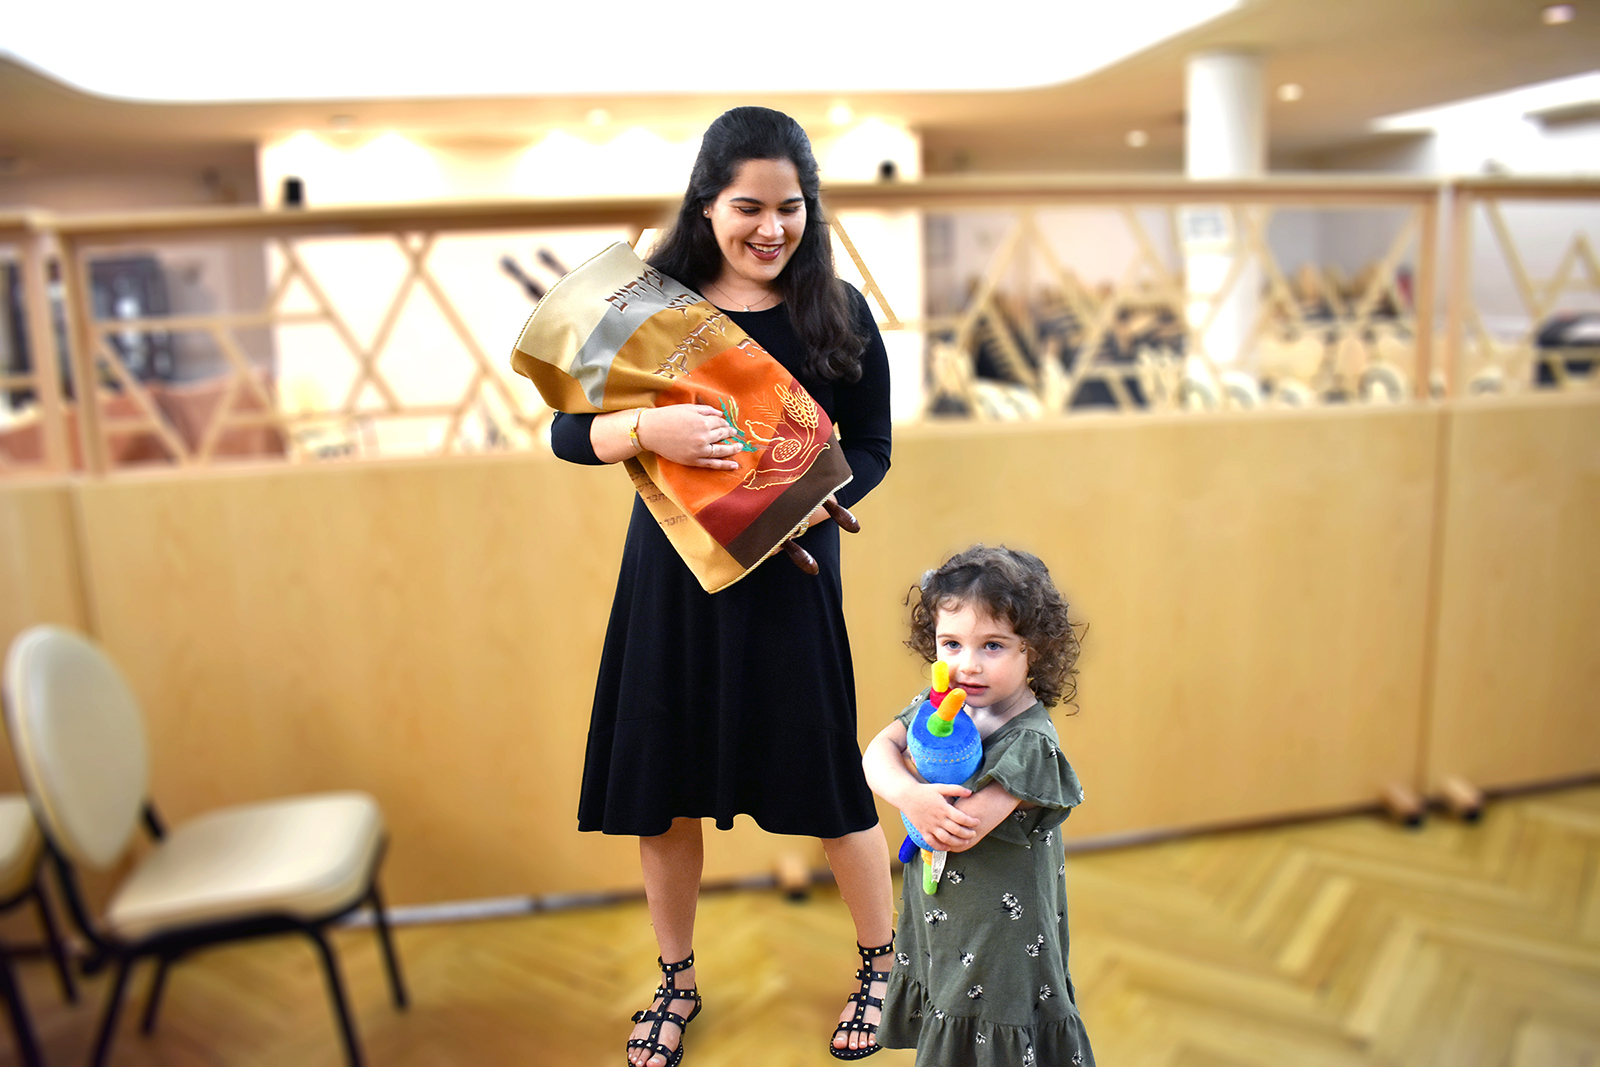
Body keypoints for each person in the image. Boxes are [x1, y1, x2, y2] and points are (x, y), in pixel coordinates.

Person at [547, 106, 895, 1066]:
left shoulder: (841, 313)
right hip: (672, 579)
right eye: (749, 206)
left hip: (792, 579)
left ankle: (883, 966)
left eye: (791, 207)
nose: (771, 229)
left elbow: (871, 446)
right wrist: (643, 431)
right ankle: (676, 982)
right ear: (707, 204)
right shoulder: (649, 307)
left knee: (832, 789)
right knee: (663, 792)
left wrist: (820, 493)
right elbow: (566, 431)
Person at [864, 545, 1095, 1066]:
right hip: (944, 913)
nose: (966, 665)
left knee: (996, 1030)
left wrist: (924, 803)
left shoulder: (1031, 741)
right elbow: (878, 751)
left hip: (1001, 933)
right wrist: (908, 793)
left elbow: (963, 827)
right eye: (951, 644)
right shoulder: (940, 708)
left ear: (1032, 650)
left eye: (992, 645)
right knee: (950, 998)